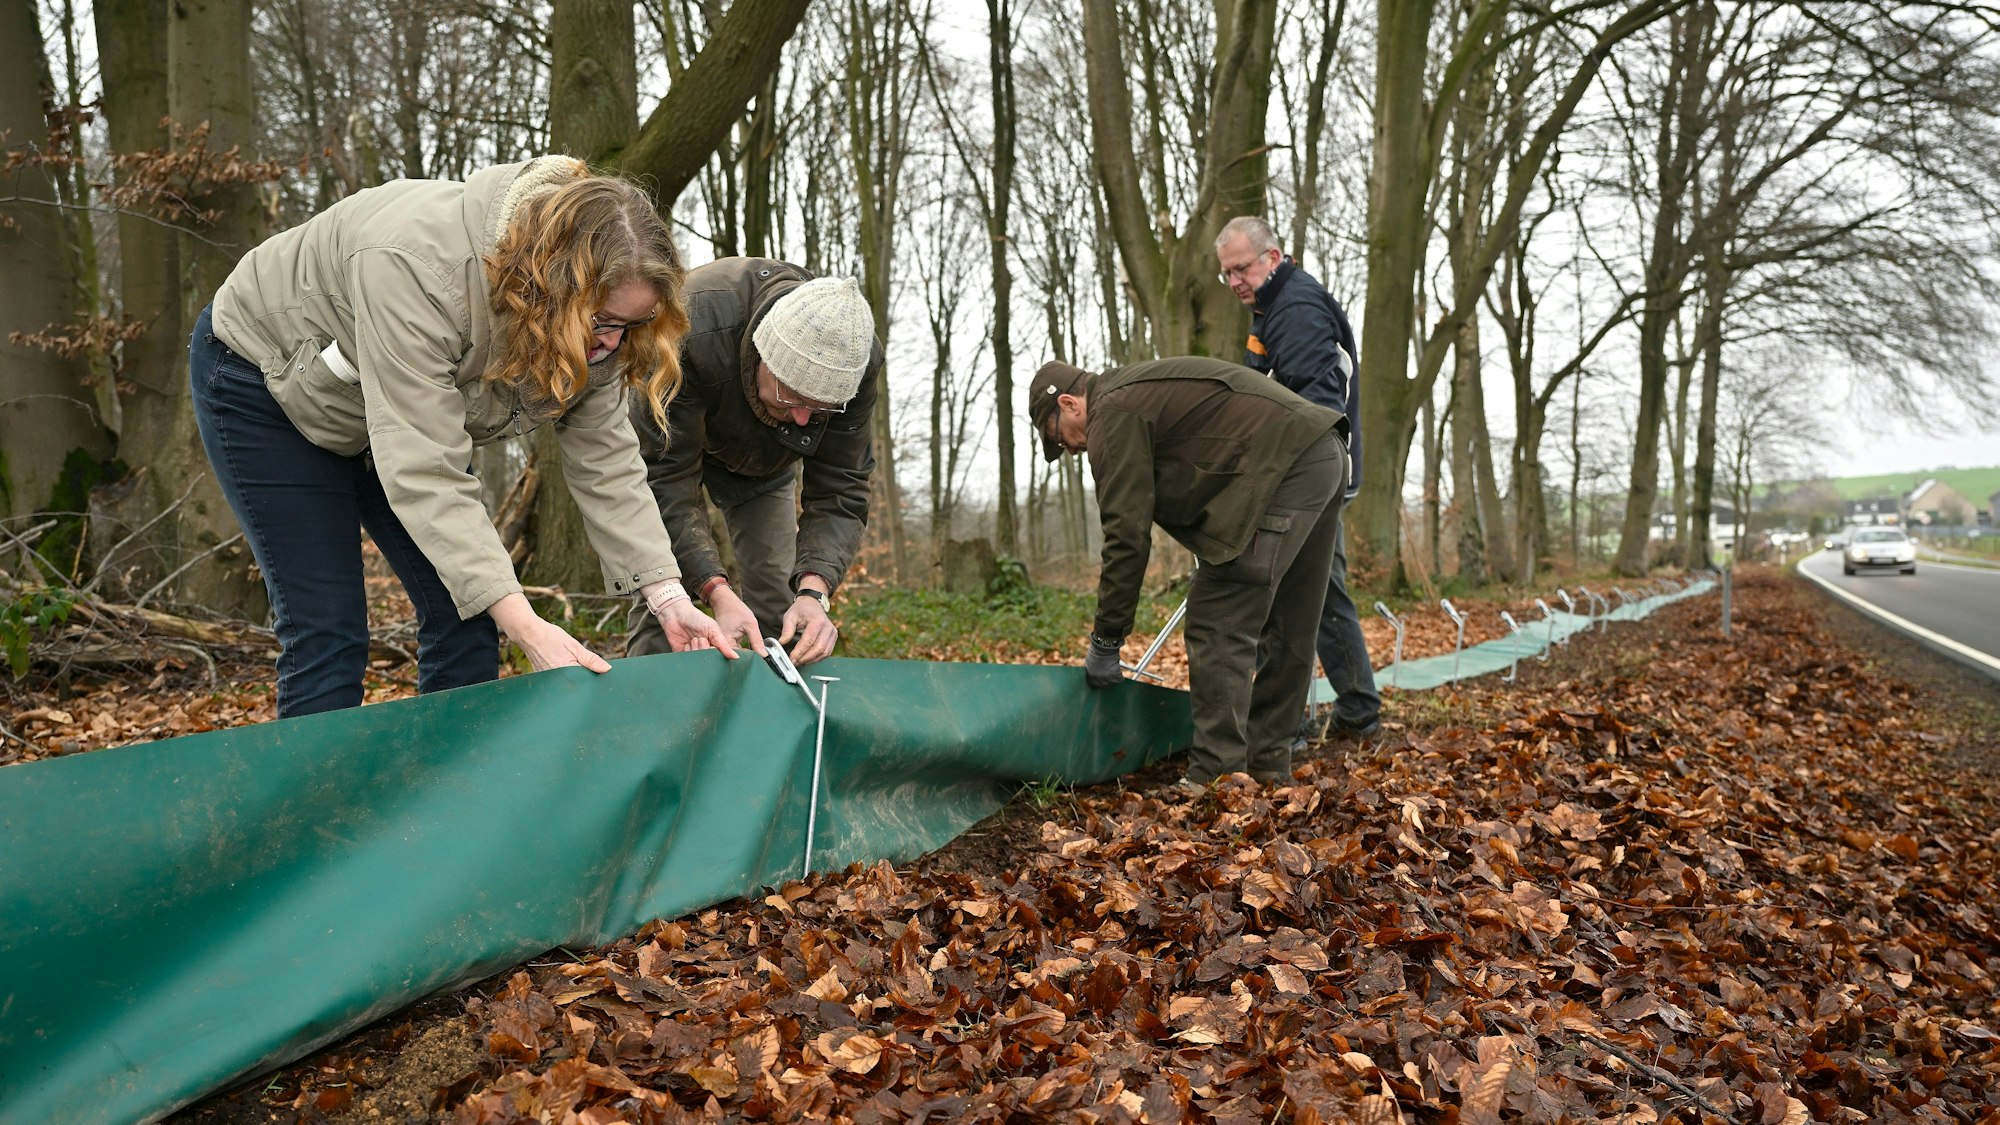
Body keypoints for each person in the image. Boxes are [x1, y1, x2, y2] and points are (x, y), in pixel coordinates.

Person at [191, 156, 751, 719]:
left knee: (470, 614)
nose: (609, 342)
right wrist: (527, 625)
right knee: (329, 631)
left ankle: (451, 796)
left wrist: (667, 597)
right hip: (265, 383)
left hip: (384, 407)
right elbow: (426, 469)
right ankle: (319, 805)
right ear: (551, 286)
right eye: (600, 320)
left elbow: (607, 460)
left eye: (630, 325)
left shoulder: (607, 328)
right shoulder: (413, 266)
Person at [1029, 356, 1347, 785]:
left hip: (1283, 466)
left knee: (1218, 619)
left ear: (1069, 404)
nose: (1070, 449)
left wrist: (1107, 638)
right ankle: (1268, 765)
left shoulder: (1112, 411)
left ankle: (1218, 779)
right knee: (1292, 622)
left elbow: (1126, 534)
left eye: (1059, 437)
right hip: (1323, 452)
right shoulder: (1136, 390)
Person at [625, 259, 880, 667]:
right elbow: (663, 477)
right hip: (669, 449)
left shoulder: (856, 362)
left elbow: (842, 487)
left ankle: (772, 718)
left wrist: (814, 594)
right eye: (792, 397)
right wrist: (715, 591)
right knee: (666, 593)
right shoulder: (693, 324)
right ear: (764, 353)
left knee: (783, 608)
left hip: (763, 464)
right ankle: (646, 706)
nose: (802, 419)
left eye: (819, 411)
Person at [1214, 215, 1381, 738]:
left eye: (1242, 268)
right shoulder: (1270, 308)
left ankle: (1322, 718)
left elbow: (1317, 407)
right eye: (1227, 273)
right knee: (1319, 593)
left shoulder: (1296, 309)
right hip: (1306, 476)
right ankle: (1349, 712)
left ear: (1272, 256)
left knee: (1301, 594)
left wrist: (1276, 478)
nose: (1235, 281)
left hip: (1311, 477)